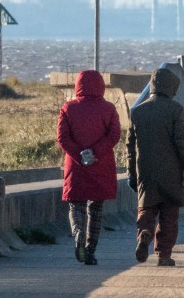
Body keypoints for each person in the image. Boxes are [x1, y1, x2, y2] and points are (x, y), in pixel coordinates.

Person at [127, 67, 184, 267]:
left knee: (147, 209)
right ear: (171, 88)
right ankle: (164, 254)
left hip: (145, 171)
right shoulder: (175, 110)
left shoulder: (137, 112)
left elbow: (130, 147)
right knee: (169, 215)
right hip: (171, 172)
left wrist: (131, 174)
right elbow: (183, 143)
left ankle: (145, 233)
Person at [56, 69, 121, 266]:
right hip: (100, 165)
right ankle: (91, 251)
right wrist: (95, 152)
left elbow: (63, 138)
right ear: (101, 85)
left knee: (76, 204)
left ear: (78, 85)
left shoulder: (68, 108)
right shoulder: (108, 109)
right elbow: (114, 135)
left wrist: (79, 154)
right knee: (96, 209)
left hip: (76, 167)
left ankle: (78, 234)